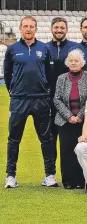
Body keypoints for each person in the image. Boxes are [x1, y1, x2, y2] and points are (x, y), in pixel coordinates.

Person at [4, 16, 57, 189]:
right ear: (20, 28)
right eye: (25, 26)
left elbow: (49, 74)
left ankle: (50, 175)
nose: (28, 29)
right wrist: (14, 92)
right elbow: (7, 73)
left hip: (41, 99)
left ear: (36, 29)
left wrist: (46, 93)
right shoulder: (12, 49)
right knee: (14, 139)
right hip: (19, 100)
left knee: (46, 139)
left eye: (31, 26)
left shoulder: (44, 49)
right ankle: (10, 176)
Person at [53, 49, 87, 189]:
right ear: (67, 62)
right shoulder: (61, 78)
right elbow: (57, 99)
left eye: (76, 60)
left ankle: (81, 181)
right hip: (64, 121)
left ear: (82, 63)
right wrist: (69, 116)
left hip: (84, 121)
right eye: (71, 60)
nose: (73, 63)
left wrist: (80, 116)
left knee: (82, 150)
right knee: (66, 152)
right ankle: (68, 181)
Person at [47, 17, 76, 162]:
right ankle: (50, 174)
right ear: (51, 29)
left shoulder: (74, 48)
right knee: (50, 138)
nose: (59, 30)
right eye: (56, 27)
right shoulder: (45, 48)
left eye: (62, 28)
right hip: (49, 100)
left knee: (70, 140)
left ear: (67, 30)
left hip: (70, 102)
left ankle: (73, 175)